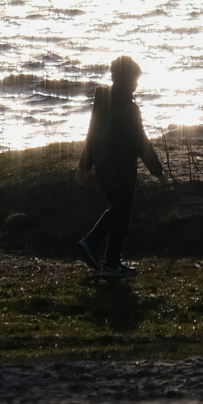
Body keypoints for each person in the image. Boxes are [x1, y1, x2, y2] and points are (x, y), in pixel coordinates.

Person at [74, 55, 164, 276]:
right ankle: (111, 262)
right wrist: (157, 171)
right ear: (126, 79)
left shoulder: (102, 100)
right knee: (122, 214)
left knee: (117, 209)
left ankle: (93, 245)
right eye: (134, 80)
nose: (136, 85)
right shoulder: (128, 108)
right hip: (121, 167)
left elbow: (91, 134)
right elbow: (140, 141)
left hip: (103, 165)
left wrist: (85, 166)